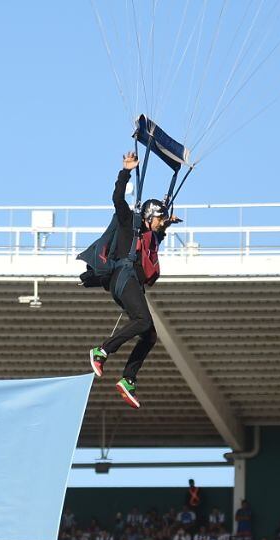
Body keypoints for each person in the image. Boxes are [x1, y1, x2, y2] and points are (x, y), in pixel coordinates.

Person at [88, 152, 180, 408]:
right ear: (149, 216)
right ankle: (102, 350)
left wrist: (167, 223)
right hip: (122, 278)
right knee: (142, 321)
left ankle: (128, 379)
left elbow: (157, 235)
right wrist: (125, 171)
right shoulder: (129, 222)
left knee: (149, 335)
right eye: (159, 219)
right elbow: (118, 199)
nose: (161, 224)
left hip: (130, 283)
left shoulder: (151, 236)